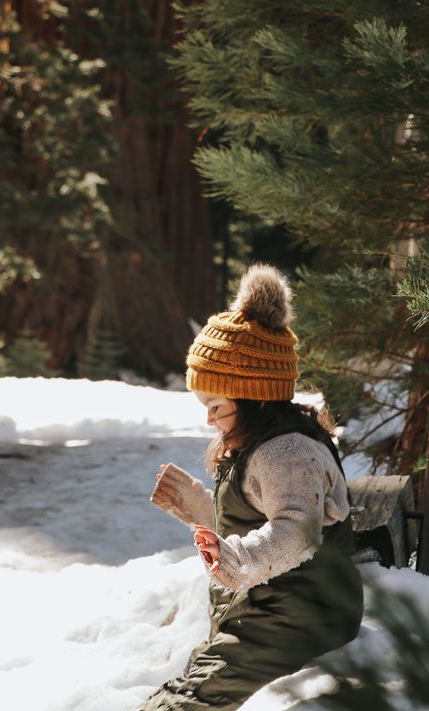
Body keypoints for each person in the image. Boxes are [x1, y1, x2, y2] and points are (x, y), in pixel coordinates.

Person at [139, 264, 363, 711]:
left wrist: (236, 560)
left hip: (300, 617)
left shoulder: (288, 453)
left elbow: (296, 532)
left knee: (184, 703)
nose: (208, 418)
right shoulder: (257, 439)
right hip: (263, 615)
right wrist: (202, 513)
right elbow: (258, 522)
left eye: (216, 405)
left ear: (255, 395)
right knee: (180, 692)